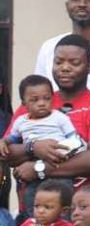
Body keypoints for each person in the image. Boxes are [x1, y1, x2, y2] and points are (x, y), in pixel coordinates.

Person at [3, 34, 90, 207]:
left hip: (81, 212)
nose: (65, 68)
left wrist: (38, 169)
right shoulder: (34, 102)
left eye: (74, 63)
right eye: (59, 62)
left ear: (89, 67)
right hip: (34, 211)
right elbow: (7, 152)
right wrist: (34, 147)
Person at [0, 76, 81, 210]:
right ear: (24, 103)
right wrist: (3, 141)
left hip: (58, 168)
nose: (42, 103)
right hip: (31, 174)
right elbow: (12, 138)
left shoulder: (60, 118)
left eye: (47, 98)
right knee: (33, 203)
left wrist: (63, 150)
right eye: (35, 100)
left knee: (61, 205)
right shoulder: (21, 122)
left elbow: (75, 140)